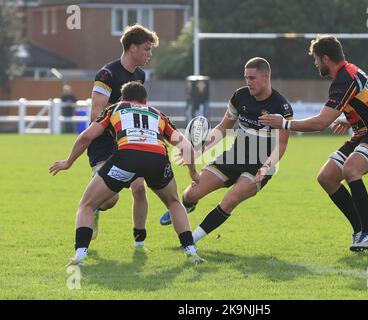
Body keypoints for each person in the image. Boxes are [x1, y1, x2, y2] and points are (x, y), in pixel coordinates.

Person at [259, 35, 368, 252]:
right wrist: (349, 119)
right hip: (365, 133)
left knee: (351, 169)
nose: (315, 64)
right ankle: (360, 231)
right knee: (326, 177)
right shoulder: (349, 72)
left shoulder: (344, 79)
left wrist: (284, 124)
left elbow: (321, 122)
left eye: (316, 59)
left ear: (325, 58)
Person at [49, 81, 204, 266]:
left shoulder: (115, 108)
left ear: (123, 98)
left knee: (88, 204)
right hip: (157, 159)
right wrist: (193, 173)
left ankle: (80, 257)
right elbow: (186, 146)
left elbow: (86, 136)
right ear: (145, 100)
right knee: (173, 202)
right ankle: (191, 253)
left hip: (127, 157)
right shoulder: (158, 114)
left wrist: (68, 162)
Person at [159, 57, 293, 245]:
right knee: (191, 194)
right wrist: (200, 150)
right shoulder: (240, 96)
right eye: (246, 77)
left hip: (260, 164)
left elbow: (282, 145)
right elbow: (222, 128)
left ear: (265, 77)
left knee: (231, 199)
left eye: (252, 78)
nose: (248, 82)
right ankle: (188, 207)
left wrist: (266, 168)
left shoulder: (281, 106)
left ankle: (191, 240)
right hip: (234, 156)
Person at [88, 24, 158, 251]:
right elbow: (95, 114)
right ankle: (95, 207)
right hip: (103, 143)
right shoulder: (107, 74)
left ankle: (140, 242)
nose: (150, 54)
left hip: (128, 143)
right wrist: (119, 127)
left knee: (139, 187)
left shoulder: (140, 76)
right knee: (110, 199)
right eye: (147, 49)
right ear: (133, 47)